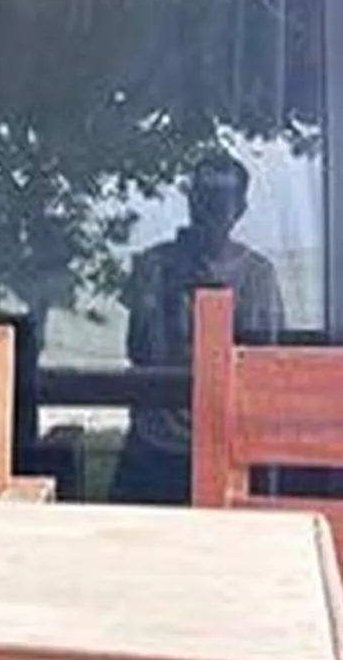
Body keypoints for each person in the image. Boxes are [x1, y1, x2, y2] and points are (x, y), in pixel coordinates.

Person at [113, 149, 285, 503]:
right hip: (154, 442)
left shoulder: (258, 276)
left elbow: (269, 363)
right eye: (204, 200)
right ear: (191, 203)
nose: (210, 212)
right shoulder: (153, 265)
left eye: (220, 202)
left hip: (227, 438)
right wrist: (168, 295)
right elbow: (137, 350)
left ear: (239, 210)